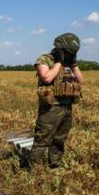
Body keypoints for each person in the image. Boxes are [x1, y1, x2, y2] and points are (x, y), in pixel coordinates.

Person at [31, 33, 84, 168]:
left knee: (59, 140)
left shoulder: (70, 63)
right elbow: (47, 78)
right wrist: (59, 62)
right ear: (60, 49)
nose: (67, 55)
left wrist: (73, 63)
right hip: (51, 108)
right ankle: (35, 171)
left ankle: (55, 166)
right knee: (42, 139)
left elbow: (80, 81)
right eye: (66, 53)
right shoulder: (44, 59)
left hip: (67, 107)